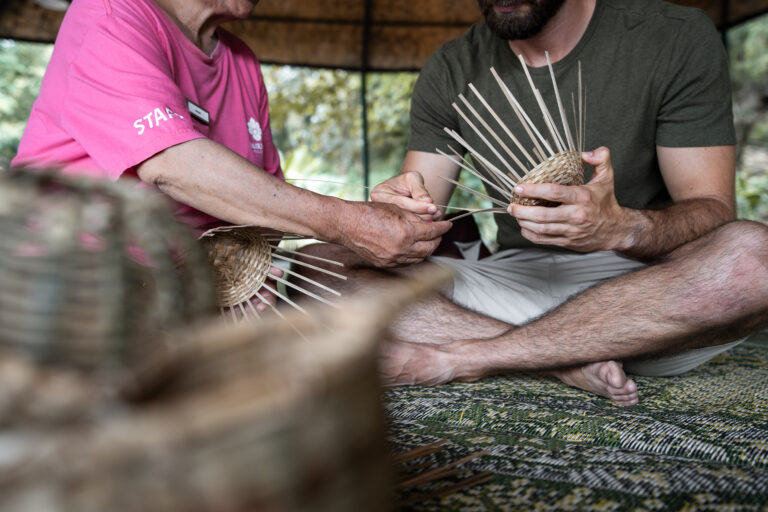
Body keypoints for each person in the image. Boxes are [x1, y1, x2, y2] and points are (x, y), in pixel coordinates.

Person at [298, 0, 768, 406]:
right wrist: (394, 215)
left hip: (643, 288)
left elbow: (710, 209)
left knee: (755, 257)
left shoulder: (671, 36)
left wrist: (621, 228)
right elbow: (413, 215)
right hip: (510, 285)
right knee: (312, 269)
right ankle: (553, 359)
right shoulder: (453, 66)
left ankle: (465, 355)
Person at [11, 0, 451, 310]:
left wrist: (379, 215)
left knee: (350, 271)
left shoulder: (239, 60)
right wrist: (350, 222)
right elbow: (171, 164)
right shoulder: (110, 13)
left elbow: (267, 207)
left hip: (201, 288)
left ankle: (486, 353)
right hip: (76, 285)